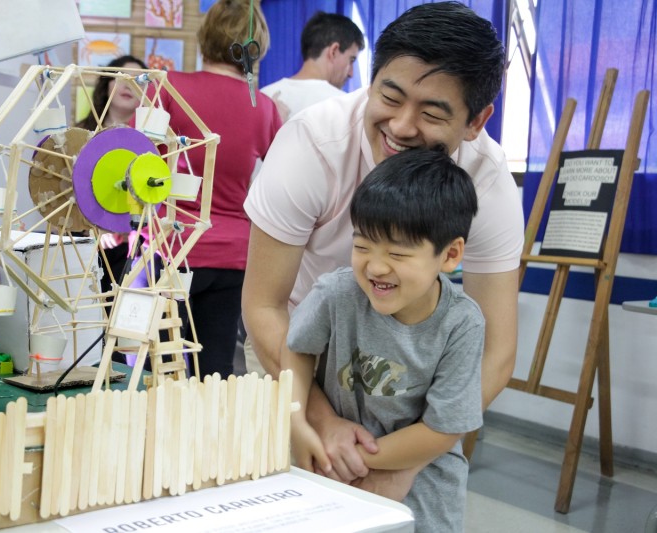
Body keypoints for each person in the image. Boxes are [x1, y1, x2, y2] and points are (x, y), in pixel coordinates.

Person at [242, 0, 524, 499]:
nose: (401, 126)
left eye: (432, 113)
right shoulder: (313, 144)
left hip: (409, 391)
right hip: (294, 352)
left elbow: (496, 352)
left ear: (476, 120)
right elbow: (264, 306)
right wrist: (320, 421)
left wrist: (409, 451)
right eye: (390, 96)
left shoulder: (487, 180)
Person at [286, 148, 483, 532]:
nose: (375, 267)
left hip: (422, 488)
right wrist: (298, 423)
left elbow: (443, 429)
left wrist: (361, 458)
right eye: (362, 246)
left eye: (397, 253)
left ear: (450, 254)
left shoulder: (462, 324)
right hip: (332, 467)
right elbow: (296, 351)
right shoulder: (336, 293)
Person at [150, 0, 282, 378]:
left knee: (161, 366)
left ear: (206, 34)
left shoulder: (167, 88)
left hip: (173, 245)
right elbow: (277, 184)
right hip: (234, 255)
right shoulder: (265, 107)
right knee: (215, 371)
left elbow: (138, 160)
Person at [76, 55, 150, 305]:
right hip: (82, 246)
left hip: (130, 249)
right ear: (106, 84)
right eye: (121, 78)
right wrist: (92, 229)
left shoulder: (151, 143)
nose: (129, 85)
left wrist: (124, 229)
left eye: (137, 80)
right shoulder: (79, 135)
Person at [260, 11, 364, 120]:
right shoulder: (345, 106)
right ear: (333, 51)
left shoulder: (265, 96)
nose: (351, 73)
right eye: (351, 60)